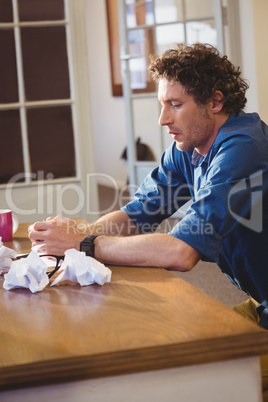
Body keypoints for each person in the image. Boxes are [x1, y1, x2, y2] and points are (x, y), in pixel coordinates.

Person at [28, 43, 268, 398]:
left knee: (203, 382)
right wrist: (79, 232)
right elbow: (136, 214)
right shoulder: (189, 148)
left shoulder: (243, 149)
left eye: (175, 104)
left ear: (215, 102)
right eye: (162, 104)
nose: (163, 120)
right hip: (261, 301)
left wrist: (84, 244)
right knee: (179, 359)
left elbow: (180, 253)